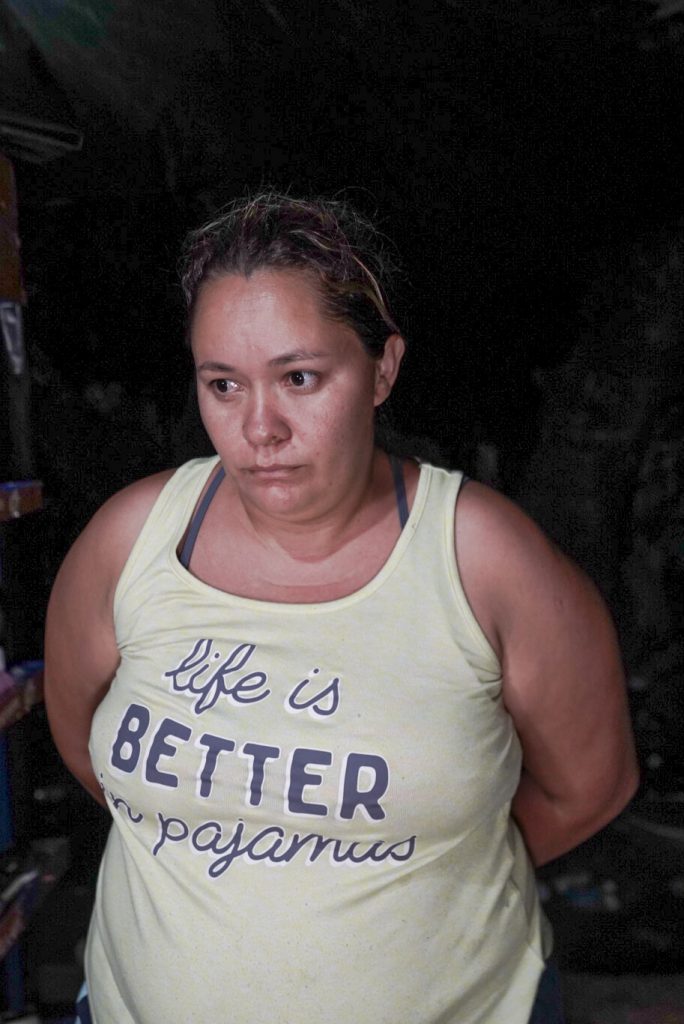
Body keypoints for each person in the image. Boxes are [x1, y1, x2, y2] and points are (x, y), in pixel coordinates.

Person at [44, 192, 639, 1024]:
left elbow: (591, 788)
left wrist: (426, 870)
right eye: (223, 385)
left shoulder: (484, 560)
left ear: (383, 369)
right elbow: (84, 748)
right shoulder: (133, 540)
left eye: (299, 378)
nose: (260, 428)